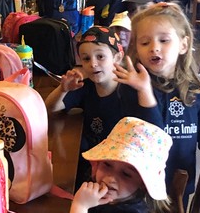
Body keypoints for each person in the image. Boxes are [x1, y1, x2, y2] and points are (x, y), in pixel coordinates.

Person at [118, 2, 200, 196]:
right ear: (136, 48)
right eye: (145, 42)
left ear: (183, 45)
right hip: (137, 190)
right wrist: (144, 90)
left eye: (164, 40)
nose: (154, 48)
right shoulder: (130, 88)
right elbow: (149, 139)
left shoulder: (195, 88)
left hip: (178, 189)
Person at [45, 26, 158, 189]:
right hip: (91, 164)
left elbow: (152, 131)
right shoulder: (86, 87)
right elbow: (51, 109)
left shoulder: (130, 91)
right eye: (86, 59)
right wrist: (63, 90)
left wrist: (144, 90)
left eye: (100, 57)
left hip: (119, 171)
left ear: (117, 57)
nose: (93, 64)